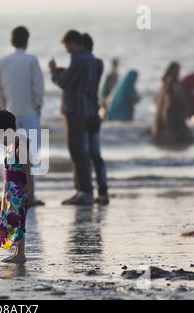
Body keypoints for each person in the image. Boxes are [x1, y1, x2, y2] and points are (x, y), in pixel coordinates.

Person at [0, 26, 44, 206]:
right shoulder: (32, 60)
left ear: (12, 40)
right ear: (26, 41)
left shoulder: (3, 61)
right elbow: (38, 87)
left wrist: (2, 112)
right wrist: (37, 106)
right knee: (30, 158)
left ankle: (8, 195)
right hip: (30, 113)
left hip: (10, 115)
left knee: (9, 158)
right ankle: (31, 196)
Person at [48, 30, 98, 205]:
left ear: (73, 42)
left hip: (74, 109)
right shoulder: (90, 59)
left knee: (76, 151)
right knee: (80, 151)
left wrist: (53, 70)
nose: (67, 49)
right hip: (84, 108)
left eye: (67, 45)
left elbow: (64, 83)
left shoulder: (79, 59)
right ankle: (82, 190)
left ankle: (84, 191)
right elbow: (80, 82)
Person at [0, 105, 34, 263]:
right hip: (11, 192)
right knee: (13, 220)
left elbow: (29, 171)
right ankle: (18, 252)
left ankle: (21, 254)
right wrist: (0, 112)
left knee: (18, 222)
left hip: (19, 192)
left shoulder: (20, 148)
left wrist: (31, 193)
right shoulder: (12, 144)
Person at [82, 33, 109, 205]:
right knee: (96, 155)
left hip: (83, 113)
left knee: (85, 155)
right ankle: (103, 191)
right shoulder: (98, 63)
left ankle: (89, 192)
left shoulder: (83, 64)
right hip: (95, 112)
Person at [151, 62, 194, 148]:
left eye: (178, 70)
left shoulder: (174, 81)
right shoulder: (170, 82)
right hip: (171, 111)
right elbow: (172, 96)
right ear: (170, 70)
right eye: (176, 70)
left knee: (176, 132)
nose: (178, 72)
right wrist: (184, 105)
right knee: (173, 132)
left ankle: (173, 149)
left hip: (175, 111)